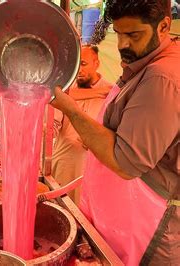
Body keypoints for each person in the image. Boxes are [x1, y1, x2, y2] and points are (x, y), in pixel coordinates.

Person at [0, 0, 179, 264]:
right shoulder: (144, 66)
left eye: (133, 35)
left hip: (145, 229)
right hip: (122, 217)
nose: (123, 45)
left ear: (164, 26)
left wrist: (72, 111)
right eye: (119, 34)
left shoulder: (161, 79)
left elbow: (125, 162)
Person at [51, 45, 113, 205]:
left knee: (86, 212)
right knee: (61, 209)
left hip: (92, 166)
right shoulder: (67, 89)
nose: (78, 69)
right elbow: (54, 123)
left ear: (96, 63)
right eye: (76, 64)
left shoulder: (110, 93)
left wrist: (97, 140)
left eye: (83, 64)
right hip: (63, 163)